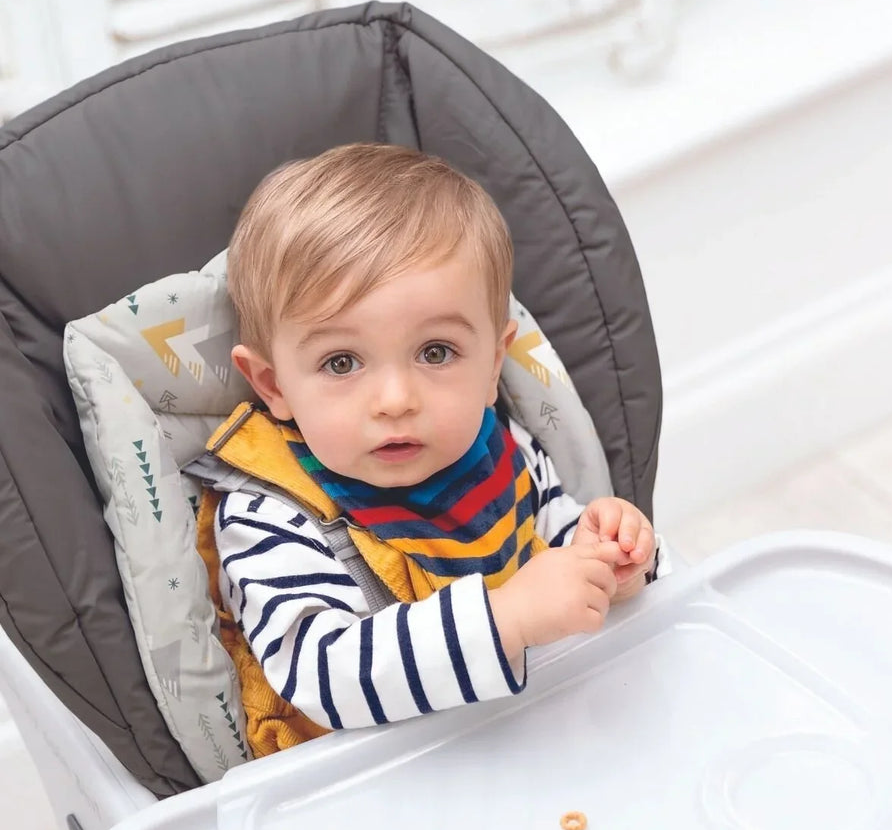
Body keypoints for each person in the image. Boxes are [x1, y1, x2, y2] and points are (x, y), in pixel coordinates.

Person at [194, 143, 663, 758]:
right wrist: (507, 620)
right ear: (275, 386)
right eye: (341, 362)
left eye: (435, 352)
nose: (395, 399)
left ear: (494, 363)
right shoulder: (267, 517)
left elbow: (561, 550)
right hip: (364, 777)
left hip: (530, 731)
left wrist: (612, 560)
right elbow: (323, 677)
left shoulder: (502, 450)